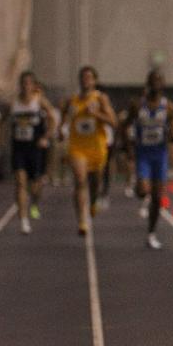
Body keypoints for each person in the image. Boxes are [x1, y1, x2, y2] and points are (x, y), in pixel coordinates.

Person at [125, 69, 173, 249]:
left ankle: (151, 232)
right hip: (143, 154)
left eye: (159, 80)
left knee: (157, 197)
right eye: (153, 80)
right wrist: (129, 146)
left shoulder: (168, 106)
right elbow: (125, 125)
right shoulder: (138, 105)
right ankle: (138, 185)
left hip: (160, 155)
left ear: (163, 84)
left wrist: (172, 135)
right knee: (143, 191)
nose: (156, 83)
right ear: (148, 83)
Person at [61, 66, 117, 235]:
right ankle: (82, 221)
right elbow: (62, 120)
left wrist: (97, 114)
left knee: (94, 183)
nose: (86, 80)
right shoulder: (72, 100)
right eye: (83, 77)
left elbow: (113, 122)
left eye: (89, 77)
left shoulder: (100, 99)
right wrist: (59, 129)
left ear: (94, 81)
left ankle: (93, 202)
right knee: (79, 180)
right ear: (80, 80)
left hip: (97, 148)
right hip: (77, 147)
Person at [9, 71, 56, 234]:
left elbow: (53, 118)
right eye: (23, 83)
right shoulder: (14, 103)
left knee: (36, 185)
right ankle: (23, 220)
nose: (25, 86)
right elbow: (3, 121)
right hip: (19, 148)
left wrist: (46, 137)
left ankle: (34, 203)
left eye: (29, 83)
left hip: (35, 148)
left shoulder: (39, 101)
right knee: (20, 183)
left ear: (33, 85)